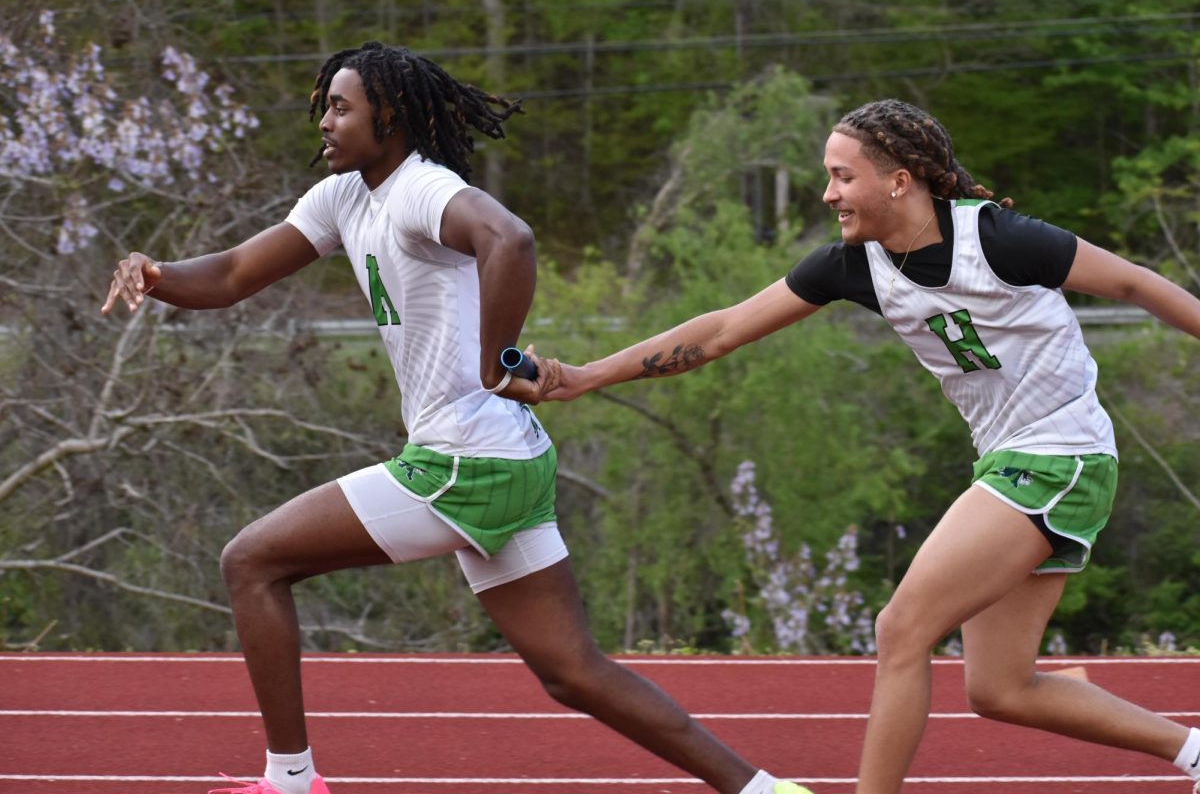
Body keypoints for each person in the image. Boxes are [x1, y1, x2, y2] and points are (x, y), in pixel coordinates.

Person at [100, 42, 807, 794]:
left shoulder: (420, 188)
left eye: (341, 108)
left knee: (251, 561)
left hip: (465, 460)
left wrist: (495, 360)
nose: (325, 123)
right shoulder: (343, 197)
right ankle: (766, 791)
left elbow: (511, 238)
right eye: (323, 108)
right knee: (573, 673)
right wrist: (159, 275)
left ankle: (289, 780)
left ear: (392, 116)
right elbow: (237, 273)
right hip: (505, 459)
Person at [545, 98, 1200, 794]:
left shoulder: (1002, 240)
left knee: (901, 630)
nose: (828, 193)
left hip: (1060, 454)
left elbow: (1135, 282)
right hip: (1011, 460)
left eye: (841, 176)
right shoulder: (854, 265)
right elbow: (721, 331)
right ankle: (1193, 751)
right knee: (1001, 689)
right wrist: (583, 377)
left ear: (899, 179)